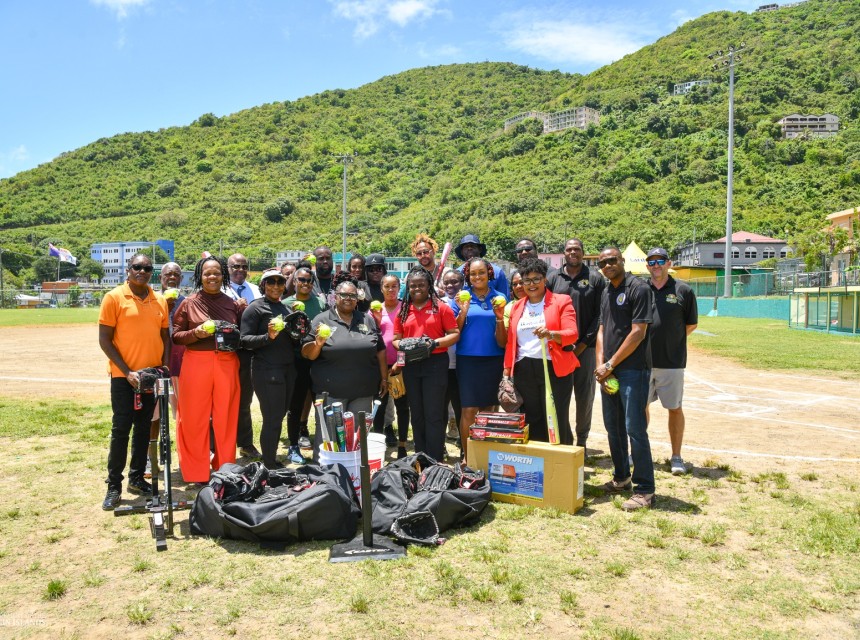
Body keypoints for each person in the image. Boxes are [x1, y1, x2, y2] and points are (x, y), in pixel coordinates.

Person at [98, 253, 170, 510]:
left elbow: (165, 337)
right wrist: (128, 371)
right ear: (128, 269)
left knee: (143, 429)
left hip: (150, 377)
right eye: (137, 267)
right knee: (121, 429)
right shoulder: (114, 297)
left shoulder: (159, 300)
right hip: (124, 377)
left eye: (147, 268)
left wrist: (164, 368)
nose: (142, 271)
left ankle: (137, 478)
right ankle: (114, 485)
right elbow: (105, 340)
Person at [172, 256, 244, 483]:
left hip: (226, 362)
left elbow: (243, 335)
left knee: (226, 417)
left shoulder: (233, 304)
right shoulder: (189, 303)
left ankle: (225, 469)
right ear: (199, 276)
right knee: (193, 418)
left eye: (217, 273)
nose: (212, 277)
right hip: (196, 363)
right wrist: (197, 333)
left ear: (224, 275)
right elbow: (176, 336)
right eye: (207, 273)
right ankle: (196, 471)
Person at [594, 247, 655, 511]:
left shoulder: (639, 288)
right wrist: (601, 366)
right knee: (613, 428)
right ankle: (621, 478)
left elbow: (638, 332)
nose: (607, 265)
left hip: (633, 370)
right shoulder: (606, 291)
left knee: (634, 429)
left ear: (622, 260)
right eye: (603, 263)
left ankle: (645, 490)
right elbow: (601, 330)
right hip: (609, 372)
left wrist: (610, 364)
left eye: (612, 260)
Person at [301, 278, 387, 455]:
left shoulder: (367, 319)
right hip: (331, 392)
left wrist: (384, 378)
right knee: (329, 439)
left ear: (357, 298)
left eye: (352, 295)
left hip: (363, 391)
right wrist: (317, 344)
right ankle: (324, 470)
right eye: (344, 295)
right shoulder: (322, 319)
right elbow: (307, 354)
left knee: (356, 439)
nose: (348, 298)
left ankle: (352, 469)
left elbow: (380, 350)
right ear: (336, 297)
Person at [503, 258, 578, 443]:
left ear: (545, 279)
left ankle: (562, 458)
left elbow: (572, 334)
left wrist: (551, 334)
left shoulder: (561, 301)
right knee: (532, 418)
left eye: (536, 279)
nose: (531, 284)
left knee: (556, 418)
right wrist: (507, 373)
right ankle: (538, 459)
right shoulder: (517, 306)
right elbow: (511, 343)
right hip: (524, 370)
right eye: (527, 280)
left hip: (554, 369)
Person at [393, 268, 459, 461]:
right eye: (412, 285)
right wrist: (405, 348)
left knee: (433, 412)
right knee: (417, 412)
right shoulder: (404, 310)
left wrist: (434, 343)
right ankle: (420, 457)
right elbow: (396, 339)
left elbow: (454, 334)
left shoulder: (441, 308)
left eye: (421, 284)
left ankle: (435, 458)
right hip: (412, 364)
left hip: (435, 363)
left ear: (429, 285)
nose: (417, 289)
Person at [547, 238, 606, 448]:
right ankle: (563, 439)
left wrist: (580, 346)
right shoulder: (553, 278)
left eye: (577, 249)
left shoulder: (595, 278)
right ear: (564, 253)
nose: (573, 252)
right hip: (559, 349)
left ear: (583, 252)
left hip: (586, 349)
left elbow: (600, 315)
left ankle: (582, 442)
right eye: (569, 249)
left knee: (584, 398)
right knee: (558, 397)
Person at [645, 247, 698, 475]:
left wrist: (672, 340)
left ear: (669, 263)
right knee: (640, 408)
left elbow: (691, 323)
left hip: (672, 362)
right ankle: (638, 453)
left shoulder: (683, 290)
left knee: (675, 408)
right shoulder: (640, 289)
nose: (656, 265)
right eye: (652, 261)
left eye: (660, 261)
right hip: (642, 362)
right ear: (647, 265)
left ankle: (676, 457)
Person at [240, 268, 300, 468]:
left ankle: (271, 458)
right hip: (266, 370)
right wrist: (268, 336)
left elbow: (293, 340)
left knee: (279, 416)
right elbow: (244, 340)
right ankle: (269, 464)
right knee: (272, 418)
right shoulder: (255, 308)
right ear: (263, 285)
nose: (276, 286)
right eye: (271, 282)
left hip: (287, 369)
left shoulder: (286, 309)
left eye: (280, 282)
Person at [451, 257, 507, 458]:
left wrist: (499, 317)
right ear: (467, 276)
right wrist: (463, 312)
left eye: (481, 272)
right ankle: (468, 458)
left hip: (494, 360)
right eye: (473, 274)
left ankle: (485, 458)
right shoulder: (461, 298)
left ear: (489, 274)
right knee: (469, 410)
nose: (477, 277)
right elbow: (453, 332)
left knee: (488, 410)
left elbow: (504, 338)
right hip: (468, 361)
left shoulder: (500, 297)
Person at [146, 262, 185, 480]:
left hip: (179, 366)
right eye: (167, 274)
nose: (172, 277)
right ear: (160, 278)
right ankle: (151, 459)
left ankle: (185, 458)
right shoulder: (151, 300)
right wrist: (164, 308)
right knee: (153, 415)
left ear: (181, 278)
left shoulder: (187, 301)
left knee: (182, 414)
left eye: (176, 274)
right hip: (156, 364)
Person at [284, 265, 328, 449]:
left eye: (309, 281)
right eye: (301, 280)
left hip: (318, 358)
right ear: (294, 281)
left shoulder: (320, 303)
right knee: (297, 401)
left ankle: (322, 438)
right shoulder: (285, 304)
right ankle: (296, 439)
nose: (305, 283)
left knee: (320, 400)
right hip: (295, 359)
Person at [371, 273, 411, 455]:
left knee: (402, 407)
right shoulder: (375, 310)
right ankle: (379, 446)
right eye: (386, 286)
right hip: (380, 366)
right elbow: (372, 338)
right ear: (381, 289)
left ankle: (402, 445)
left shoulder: (406, 309)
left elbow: (408, 339)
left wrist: (400, 363)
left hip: (400, 366)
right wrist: (377, 322)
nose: (391, 290)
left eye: (394, 286)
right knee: (379, 405)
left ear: (399, 287)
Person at [225, 253, 261, 459]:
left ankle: (245, 443)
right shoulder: (220, 289)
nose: (240, 270)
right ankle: (218, 445)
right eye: (235, 266)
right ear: (227, 268)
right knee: (222, 399)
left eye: (244, 266)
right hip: (225, 352)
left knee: (244, 400)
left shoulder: (255, 290)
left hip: (247, 352)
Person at [440, 268, 465, 438]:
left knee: (460, 407)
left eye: (454, 282)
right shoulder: (439, 303)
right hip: (443, 364)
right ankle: (440, 445)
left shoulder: (469, 302)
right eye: (447, 282)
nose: (450, 285)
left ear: (462, 283)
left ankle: (463, 445)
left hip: (462, 364)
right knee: (441, 407)